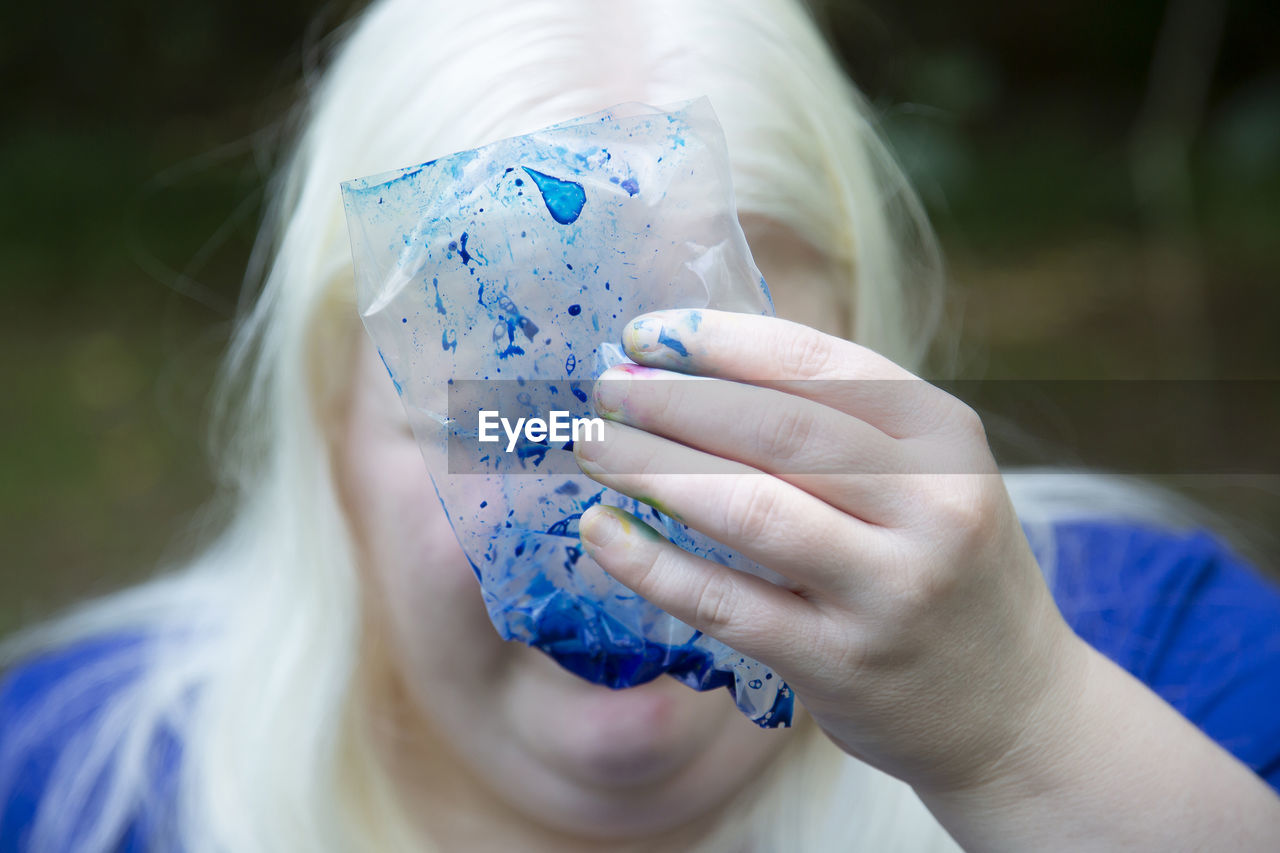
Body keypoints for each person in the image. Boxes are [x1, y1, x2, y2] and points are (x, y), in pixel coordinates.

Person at [3, 0, 1279, 850]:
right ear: (330, 433)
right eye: (503, 423)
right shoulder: (78, 786)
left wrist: (1023, 735)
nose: (622, 523)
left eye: (725, 413)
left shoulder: (1152, 665)